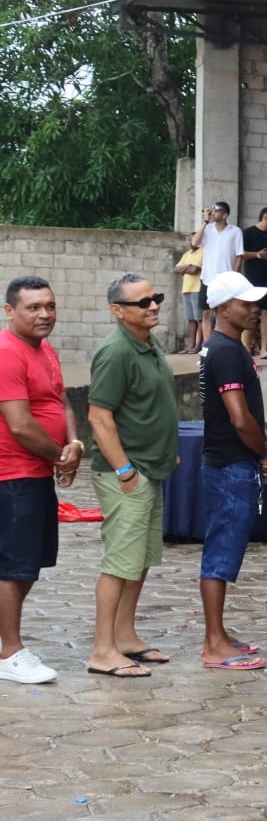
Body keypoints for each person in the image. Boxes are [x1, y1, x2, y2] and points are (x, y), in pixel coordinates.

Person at [86, 273, 179, 678]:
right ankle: (102, 650)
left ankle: (124, 636)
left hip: (149, 468)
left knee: (140, 560)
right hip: (127, 474)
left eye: (155, 298)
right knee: (120, 561)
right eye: (142, 302)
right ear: (117, 311)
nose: (153, 305)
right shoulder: (116, 352)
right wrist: (125, 470)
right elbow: (98, 417)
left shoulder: (147, 341)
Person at [197, 272, 267, 672]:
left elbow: (248, 413)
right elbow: (239, 417)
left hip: (229, 460)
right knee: (221, 553)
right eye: (245, 304)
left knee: (225, 549)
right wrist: (263, 451)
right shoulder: (226, 352)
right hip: (231, 464)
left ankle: (219, 633)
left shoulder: (225, 348)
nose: (254, 310)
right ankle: (213, 642)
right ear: (223, 308)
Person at [0, 277, 80, 685]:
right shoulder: (7, 352)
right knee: (15, 566)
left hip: (37, 473)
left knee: (30, 563)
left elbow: (60, 401)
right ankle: (10, 652)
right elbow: (20, 424)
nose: (44, 314)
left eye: (49, 305)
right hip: (13, 475)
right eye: (33, 307)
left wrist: (74, 443)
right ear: (10, 311)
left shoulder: (45, 348)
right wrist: (60, 456)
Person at [192, 201, 243, 345]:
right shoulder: (207, 229)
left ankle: (225, 343)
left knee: (225, 313)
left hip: (225, 280)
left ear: (225, 215)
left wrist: (234, 275)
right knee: (206, 313)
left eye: (216, 211)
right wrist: (205, 222)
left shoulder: (235, 231)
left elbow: (239, 255)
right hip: (208, 278)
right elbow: (194, 243)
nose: (213, 213)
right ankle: (207, 347)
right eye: (212, 210)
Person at [240, 207, 267, 359]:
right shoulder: (248, 233)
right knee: (251, 311)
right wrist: (258, 255)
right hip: (252, 278)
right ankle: (246, 347)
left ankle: (264, 349)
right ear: (265, 218)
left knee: (266, 313)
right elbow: (240, 254)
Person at [173, 244, 205, 354]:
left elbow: (194, 270)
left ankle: (198, 345)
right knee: (190, 319)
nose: (191, 242)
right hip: (186, 289)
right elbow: (176, 269)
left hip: (197, 289)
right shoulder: (187, 254)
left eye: (193, 239)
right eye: (190, 240)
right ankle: (190, 345)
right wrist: (189, 266)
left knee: (199, 319)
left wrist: (184, 268)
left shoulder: (203, 252)